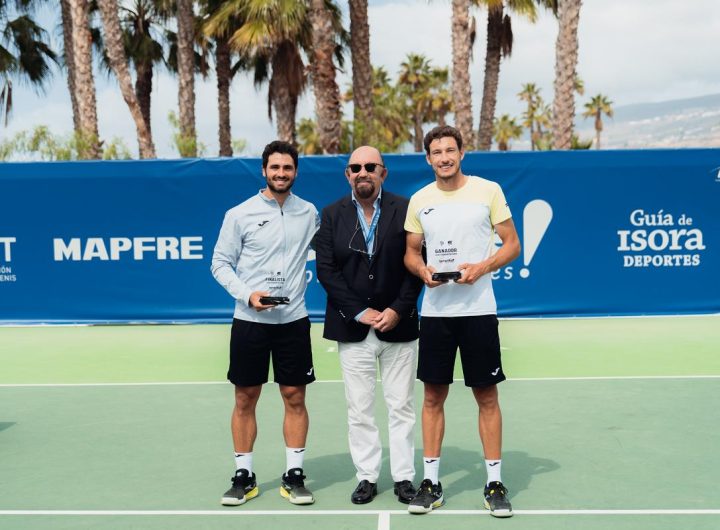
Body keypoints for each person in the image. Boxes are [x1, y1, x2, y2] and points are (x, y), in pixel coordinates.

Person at [403, 126, 521, 517]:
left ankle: (493, 483)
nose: (444, 157)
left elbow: (512, 244)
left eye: (450, 150)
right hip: (437, 314)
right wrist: (422, 272)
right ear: (428, 158)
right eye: (436, 152)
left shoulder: (488, 191)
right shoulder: (420, 200)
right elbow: (410, 253)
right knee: (433, 397)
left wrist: (483, 266)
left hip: (479, 312)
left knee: (486, 396)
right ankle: (431, 483)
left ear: (462, 152)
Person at [211, 140, 319, 507]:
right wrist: (247, 295)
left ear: (295, 172)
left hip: (294, 321)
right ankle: (244, 476)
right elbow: (219, 263)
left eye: (287, 168)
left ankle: (294, 475)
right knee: (245, 397)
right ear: (264, 170)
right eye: (275, 168)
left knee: (295, 396)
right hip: (250, 321)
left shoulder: (309, 213)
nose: (281, 174)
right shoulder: (239, 214)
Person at [315, 146, 423, 505]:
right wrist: (359, 311)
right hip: (354, 328)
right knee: (359, 408)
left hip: (399, 326)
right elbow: (327, 271)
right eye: (355, 167)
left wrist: (397, 309)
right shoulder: (331, 215)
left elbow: (416, 264)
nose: (363, 172)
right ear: (348, 174)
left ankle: (405, 478)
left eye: (370, 166)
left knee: (401, 406)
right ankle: (366, 476)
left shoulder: (406, 209)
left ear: (383, 172)